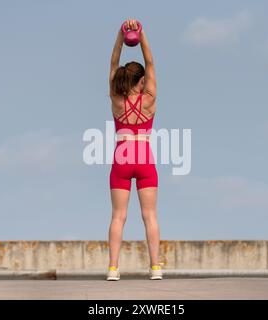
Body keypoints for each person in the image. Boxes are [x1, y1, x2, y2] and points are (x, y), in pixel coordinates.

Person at [106, 19, 162, 281]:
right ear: (142, 81)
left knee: (119, 216)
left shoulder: (117, 100)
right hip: (144, 158)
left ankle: (113, 269)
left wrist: (121, 35)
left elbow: (113, 63)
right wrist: (141, 34)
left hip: (122, 158)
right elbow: (150, 63)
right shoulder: (149, 99)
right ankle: (155, 268)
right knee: (149, 216)